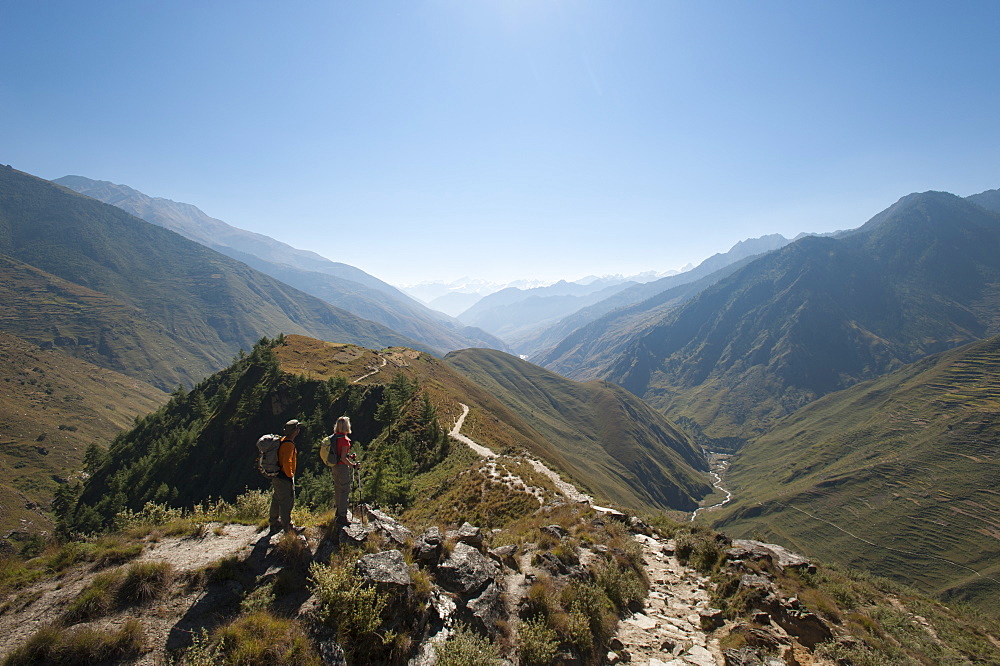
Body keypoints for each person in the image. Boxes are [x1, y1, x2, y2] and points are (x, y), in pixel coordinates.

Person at [269, 419, 304, 534]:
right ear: (295, 431)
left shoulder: (282, 440)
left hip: (277, 474)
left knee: (277, 499)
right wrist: (290, 475)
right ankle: (288, 527)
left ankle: (273, 522)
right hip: (284, 477)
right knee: (286, 502)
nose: (299, 430)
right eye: (297, 428)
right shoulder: (289, 444)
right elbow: (287, 461)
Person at [330, 416, 358, 526]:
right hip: (342, 467)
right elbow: (343, 458)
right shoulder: (345, 440)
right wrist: (353, 465)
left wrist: (348, 456)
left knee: (338, 488)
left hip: (334, 466)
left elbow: (339, 454)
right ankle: (342, 516)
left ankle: (338, 511)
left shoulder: (334, 437)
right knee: (345, 490)